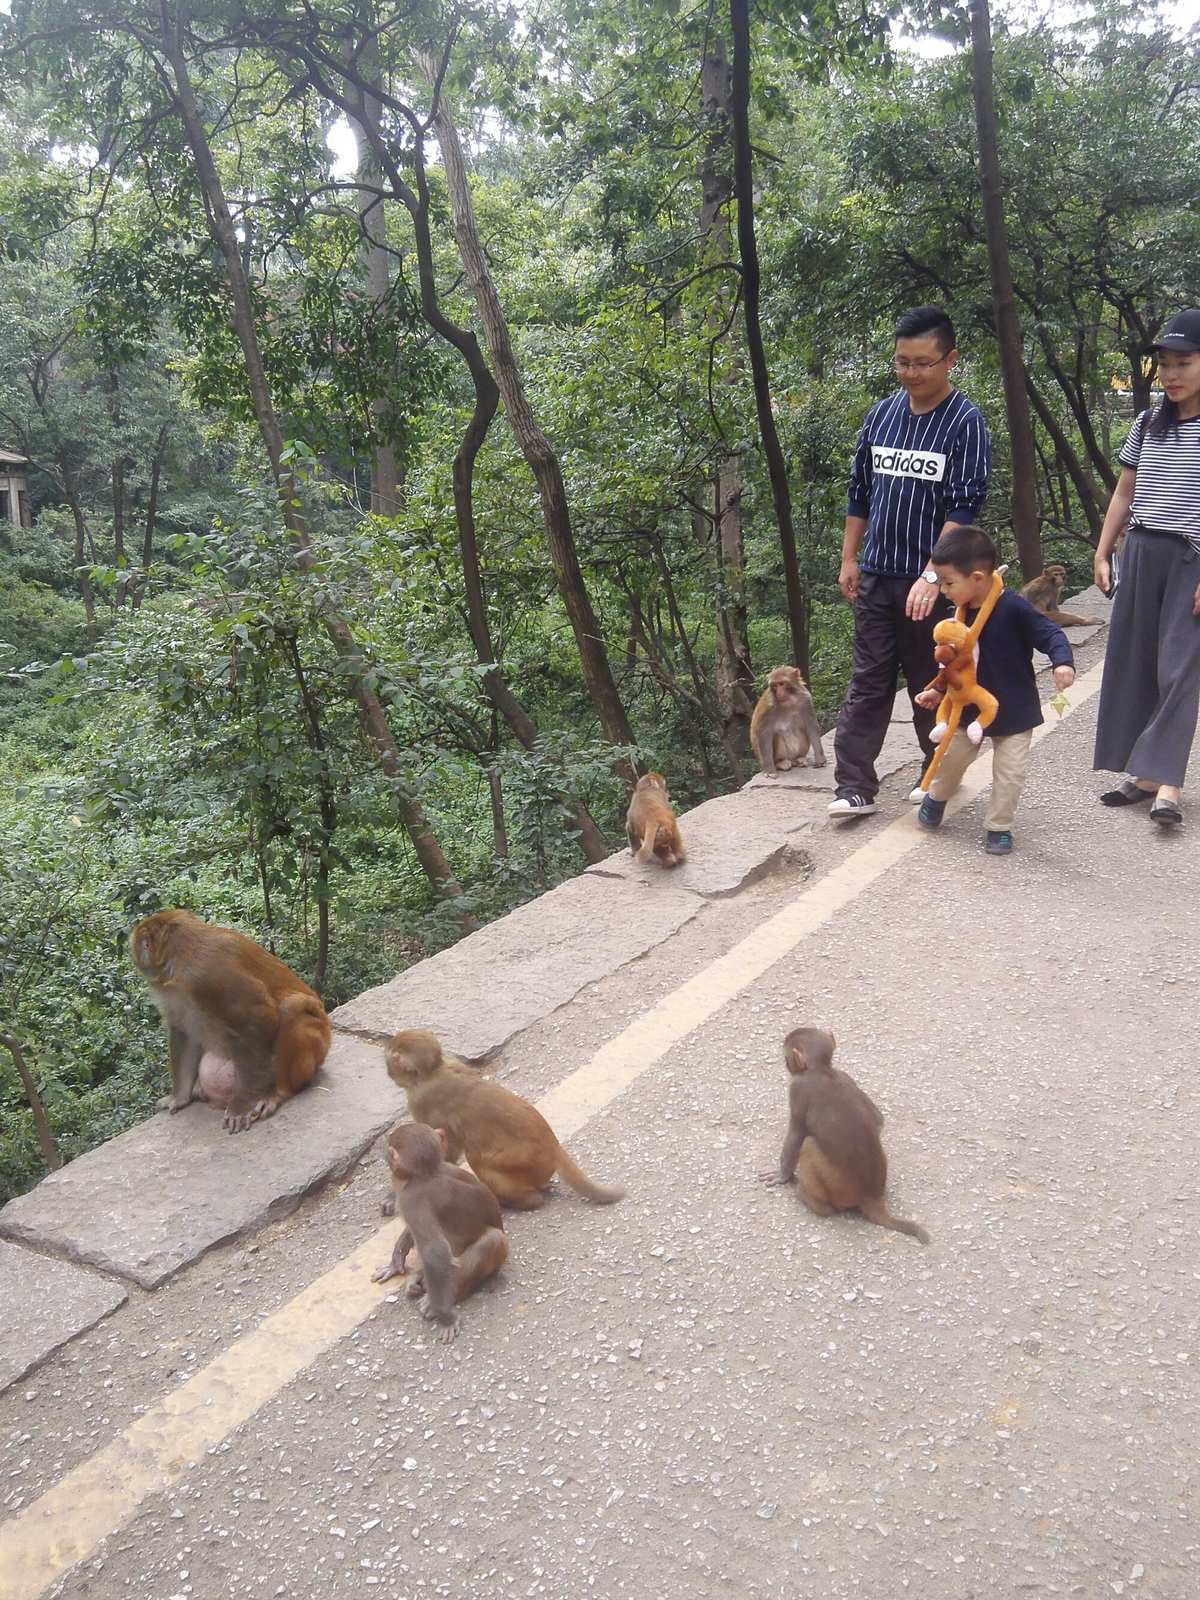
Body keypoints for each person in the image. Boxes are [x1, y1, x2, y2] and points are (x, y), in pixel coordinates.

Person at [829, 305, 993, 819]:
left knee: (934, 678)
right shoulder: (880, 415)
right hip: (877, 572)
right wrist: (849, 558)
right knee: (868, 680)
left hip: (935, 582)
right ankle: (854, 787)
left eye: (923, 363)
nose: (911, 374)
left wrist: (931, 574)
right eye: (902, 362)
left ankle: (937, 774)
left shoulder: (966, 423)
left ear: (949, 360)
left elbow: (962, 509)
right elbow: (859, 492)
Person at [1093, 309, 1200, 828]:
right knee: (1134, 663)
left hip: (1190, 559)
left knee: (1178, 670)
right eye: (1166, 364)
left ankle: (1170, 786)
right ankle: (1143, 774)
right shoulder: (1146, 422)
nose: (1173, 374)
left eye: (1184, 362)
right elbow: (1124, 492)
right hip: (1141, 551)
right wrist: (1103, 549)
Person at [914, 526, 1075, 855]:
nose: (943, 591)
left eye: (948, 583)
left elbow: (1049, 633)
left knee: (1009, 772)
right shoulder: (957, 613)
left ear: (976, 577)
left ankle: (999, 826)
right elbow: (951, 663)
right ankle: (938, 796)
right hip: (966, 707)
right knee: (950, 759)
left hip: (1013, 707)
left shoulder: (1012, 607)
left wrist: (1063, 662)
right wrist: (936, 690)